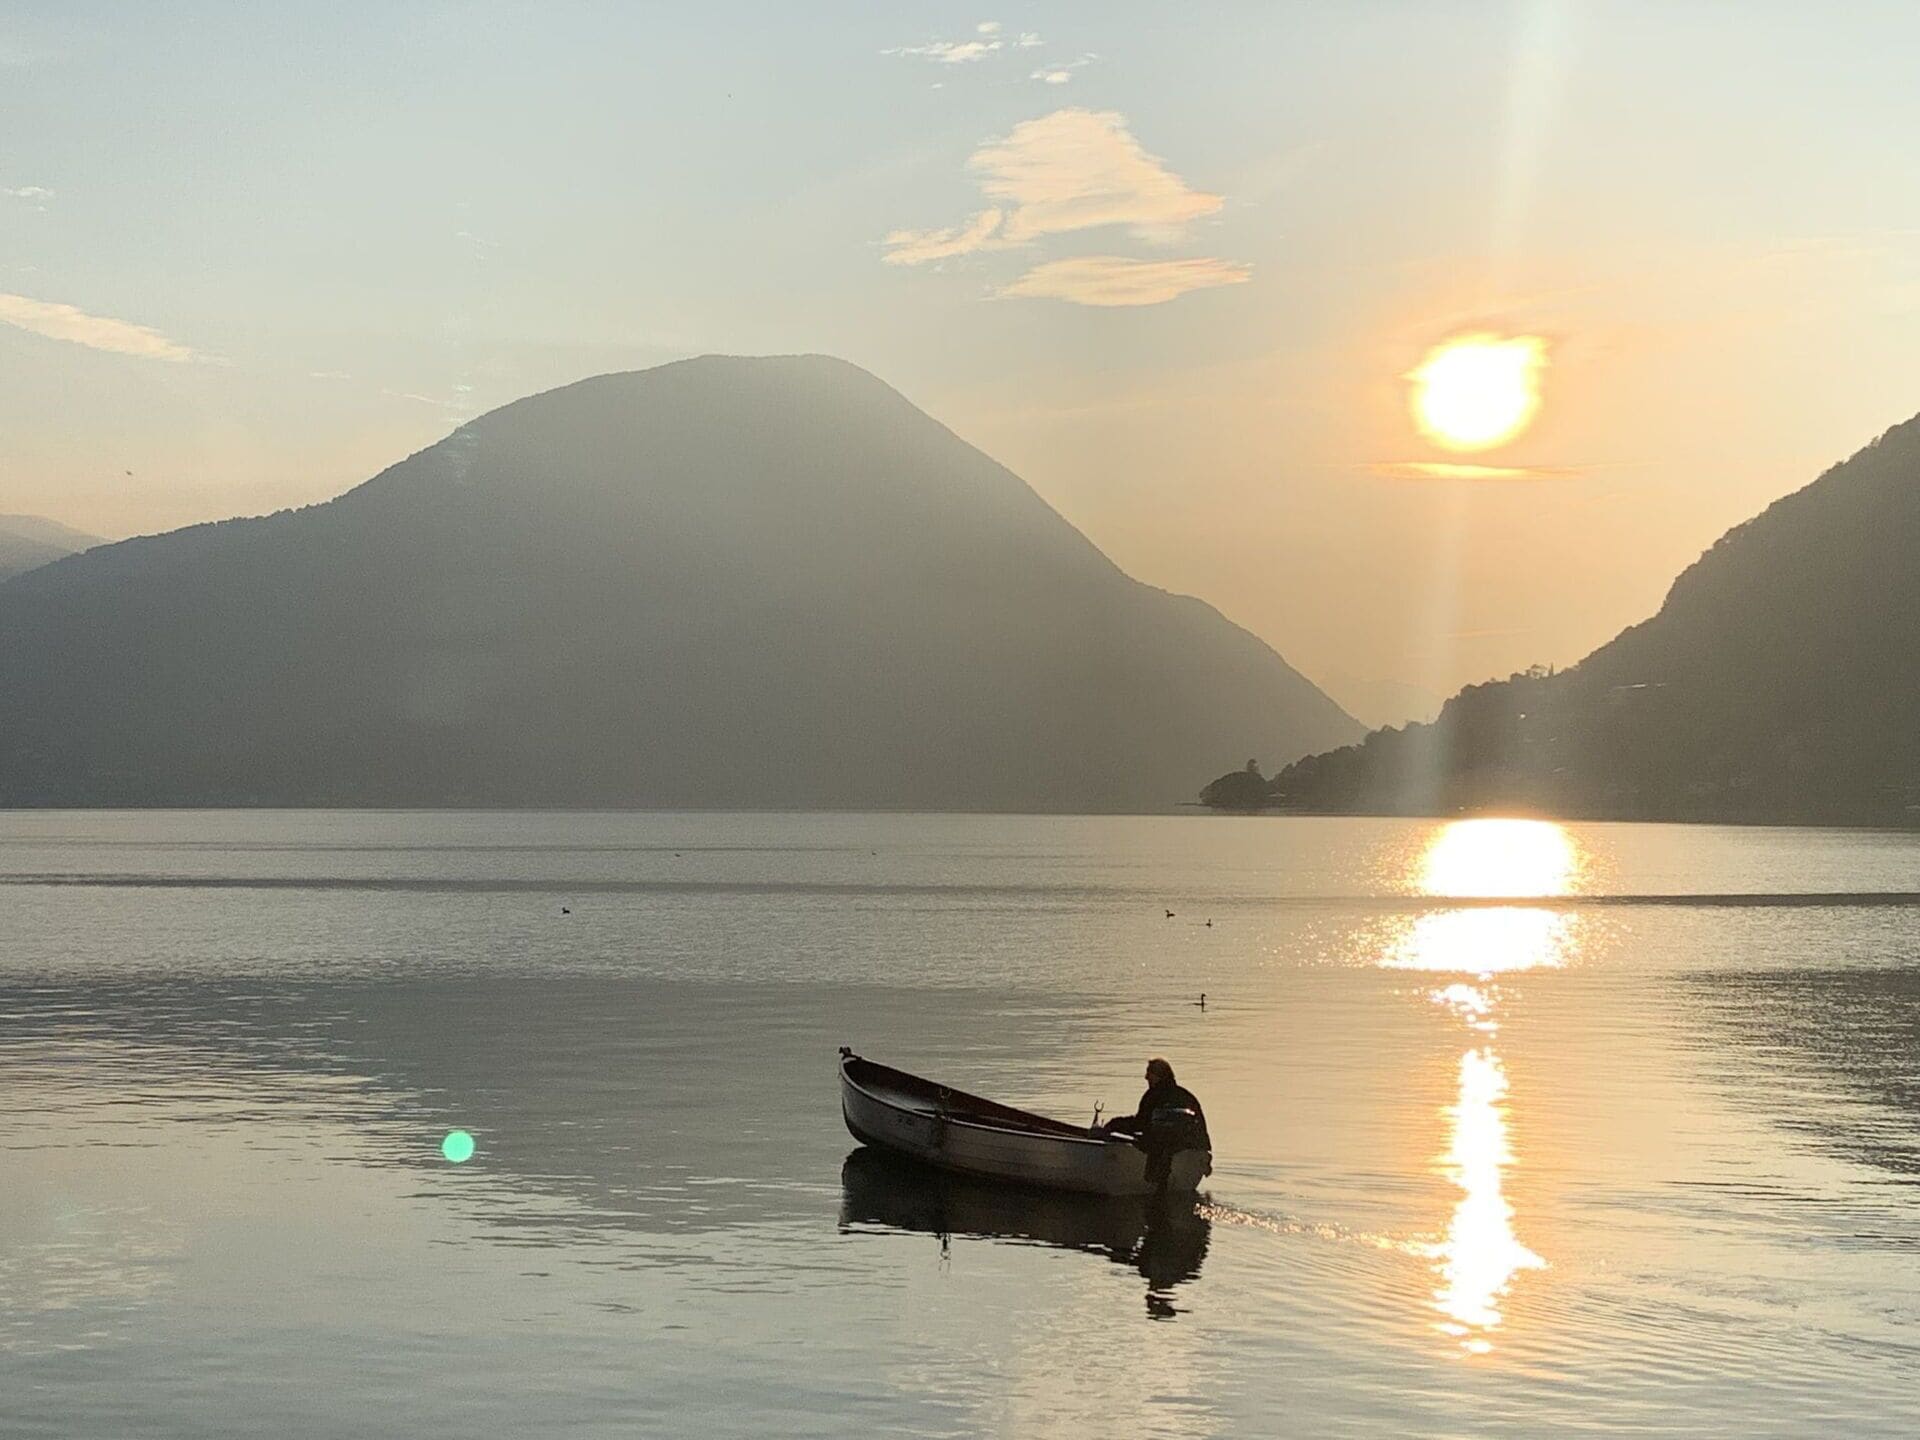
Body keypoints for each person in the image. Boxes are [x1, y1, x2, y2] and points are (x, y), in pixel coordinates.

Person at [1100, 1057, 1211, 1191]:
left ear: (1159, 1076)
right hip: (1194, 1149)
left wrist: (1114, 1125)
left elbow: (1140, 1124)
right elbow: (1201, 1126)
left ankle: (1157, 1185)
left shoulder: (1153, 1095)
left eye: (1149, 1073)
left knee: (1151, 1144)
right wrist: (1206, 1153)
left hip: (1161, 1151)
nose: (1146, 1077)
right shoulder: (1186, 1096)